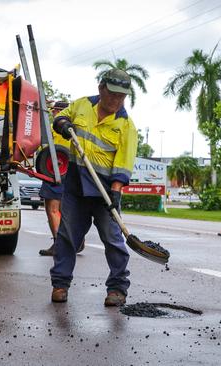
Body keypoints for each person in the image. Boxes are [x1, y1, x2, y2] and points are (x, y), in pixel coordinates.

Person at [49, 69, 138, 307]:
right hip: (77, 186)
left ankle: (117, 288)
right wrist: (63, 123)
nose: (116, 100)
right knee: (67, 238)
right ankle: (60, 284)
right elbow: (60, 118)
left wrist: (116, 191)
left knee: (113, 240)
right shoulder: (81, 105)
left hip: (105, 191)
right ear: (101, 89)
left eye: (121, 96)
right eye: (112, 94)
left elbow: (124, 162)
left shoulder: (126, 126)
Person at [38, 101, 85, 256]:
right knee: (69, 208)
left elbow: (43, 148)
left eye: (54, 111)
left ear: (58, 112)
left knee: (52, 209)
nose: (52, 114)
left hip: (56, 170)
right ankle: (76, 239)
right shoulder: (76, 129)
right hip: (74, 171)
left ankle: (60, 244)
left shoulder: (54, 129)